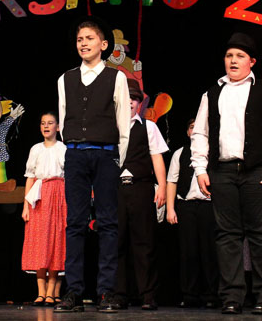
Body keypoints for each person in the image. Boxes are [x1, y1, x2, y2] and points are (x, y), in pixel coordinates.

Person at [191, 32, 262, 315]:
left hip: (257, 171)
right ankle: (232, 296)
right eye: (229, 56)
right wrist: (200, 168)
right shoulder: (212, 93)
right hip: (222, 171)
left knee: (261, 235)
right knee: (227, 235)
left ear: (252, 61)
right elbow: (200, 132)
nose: (233, 61)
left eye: (240, 56)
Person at [55, 17, 130, 313]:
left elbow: (123, 124)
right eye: (79, 39)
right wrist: (72, 147)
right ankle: (74, 291)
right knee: (75, 222)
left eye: (89, 38)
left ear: (103, 44)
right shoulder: (66, 78)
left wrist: (118, 161)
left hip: (105, 154)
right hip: (75, 154)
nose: (83, 43)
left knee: (108, 223)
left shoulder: (116, 77)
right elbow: (64, 118)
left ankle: (106, 291)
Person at [115, 79, 167, 310]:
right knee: (116, 242)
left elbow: (157, 157)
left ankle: (148, 295)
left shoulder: (148, 127)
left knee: (144, 242)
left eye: (133, 100)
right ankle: (119, 294)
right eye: (125, 99)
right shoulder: (111, 127)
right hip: (115, 189)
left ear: (139, 104)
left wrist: (162, 186)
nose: (129, 103)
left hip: (141, 187)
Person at [165, 118, 219, 309]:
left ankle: (211, 294)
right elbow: (172, 181)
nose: (195, 130)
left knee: (209, 251)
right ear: (187, 133)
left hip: (209, 206)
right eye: (191, 127)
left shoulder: (214, 153)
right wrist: (170, 209)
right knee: (188, 251)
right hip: (186, 206)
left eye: (199, 127)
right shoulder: (180, 153)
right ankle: (190, 294)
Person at [21, 112, 67, 307]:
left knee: (56, 242)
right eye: (43, 123)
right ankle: (41, 292)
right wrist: (26, 206)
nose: (46, 126)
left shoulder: (63, 148)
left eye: (50, 123)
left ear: (58, 127)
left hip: (58, 195)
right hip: (39, 197)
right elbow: (30, 178)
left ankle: (52, 291)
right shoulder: (36, 149)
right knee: (40, 242)